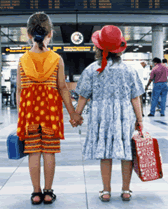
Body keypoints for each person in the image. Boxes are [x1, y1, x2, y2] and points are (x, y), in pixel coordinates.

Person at [70, 25, 144, 202]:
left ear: (99, 48)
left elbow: (83, 96)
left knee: (105, 154)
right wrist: (139, 120)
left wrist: (76, 115)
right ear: (119, 49)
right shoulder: (129, 70)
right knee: (127, 153)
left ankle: (106, 191)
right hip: (124, 117)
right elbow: (136, 98)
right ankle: (126, 190)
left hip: (100, 117)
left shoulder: (91, 69)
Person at [16, 12, 83, 205]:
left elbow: (20, 90)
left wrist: (22, 116)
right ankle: (48, 192)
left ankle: (35, 193)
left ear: (28, 34)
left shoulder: (23, 60)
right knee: (49, 151)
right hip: (50, 112)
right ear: (50, 34)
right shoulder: (56, 59)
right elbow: (62, 88)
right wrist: (73, 113)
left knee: (34, 152)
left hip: (30, 112)